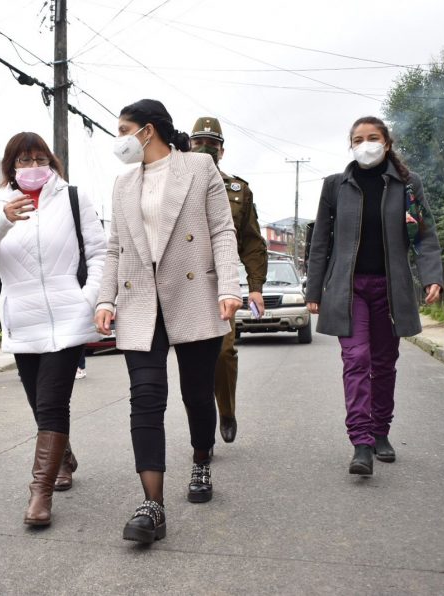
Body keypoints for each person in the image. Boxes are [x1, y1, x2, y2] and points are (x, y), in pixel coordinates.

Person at [94, 99, 242, 543]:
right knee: (146, 397)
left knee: (197, 395)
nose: (119, 138)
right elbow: (115, 249)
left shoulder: (198, 167)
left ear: (148, 130)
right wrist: (105, 299)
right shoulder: (122, 184)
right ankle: (152, 505)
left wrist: (229, 287)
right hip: (140, 300)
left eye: (124, 129)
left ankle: (201, 459)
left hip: (193, 293)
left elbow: (221, 230)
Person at [0, 132, 106, 526]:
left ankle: (39, 494)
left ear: (51, 163)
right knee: (37, 402)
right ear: (11, 167)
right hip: (23, 320)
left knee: (52, 403)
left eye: (39, 158)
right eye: (23, 161)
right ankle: (64, 456)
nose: (32, 167)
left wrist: (86, 298)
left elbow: (99, 253)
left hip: (68, 314)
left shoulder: (73, 198)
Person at [304, 116, 443, 476]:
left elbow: (424, 235)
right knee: (357, 360)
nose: (365, 144)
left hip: (390, 289)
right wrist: (314, 290)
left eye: (373, 137)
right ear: (350, 145)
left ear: (387, 143)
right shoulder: (336, 186)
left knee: (383, 364)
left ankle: (381, 432)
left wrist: (432, 277)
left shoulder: (408, 185)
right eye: (358, 139)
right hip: (348, 290)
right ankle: (361, 442)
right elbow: (320, 242)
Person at [189, 116, 267, 444]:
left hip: (222, 284)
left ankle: (227, 410)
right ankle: (201, 426)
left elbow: (251, 242)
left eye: (212, 143)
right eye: (198, 142)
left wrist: (256, 288)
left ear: (222, 150)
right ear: (188, 145)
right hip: (183, 282)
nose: (205, 148)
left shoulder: (238, 191)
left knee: (223, 352)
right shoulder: (174, 183)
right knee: (193, 359)